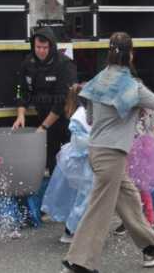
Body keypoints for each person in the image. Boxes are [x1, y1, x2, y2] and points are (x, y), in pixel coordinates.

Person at [62, 32, 154, 273]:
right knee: (100, 208)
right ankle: (79, 262)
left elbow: (91, 117)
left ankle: (151, 248)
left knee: (129, 200)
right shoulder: (133, 87)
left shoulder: (97, 79)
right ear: (131, 54)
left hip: (97, 151)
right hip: (113, 155)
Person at [13, 26, 77, 175]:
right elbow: (20, 89)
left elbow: (62, 101)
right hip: (43, 117)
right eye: (38, 47)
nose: (41, 51)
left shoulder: (64, 64)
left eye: (45, 48)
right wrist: (20, 114)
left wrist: (44, 127)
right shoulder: (28, 63)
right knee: (51, 161)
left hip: (65, 120)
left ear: (51, 46)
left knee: (69, 162)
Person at [41, 83, 93, 244]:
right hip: (83, 161)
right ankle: (71, 230)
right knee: (83, 197)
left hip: (82, 159)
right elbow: (81, 142)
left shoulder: (82, 113)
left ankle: (77, 228)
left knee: (82, 196)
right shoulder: (81, 115)